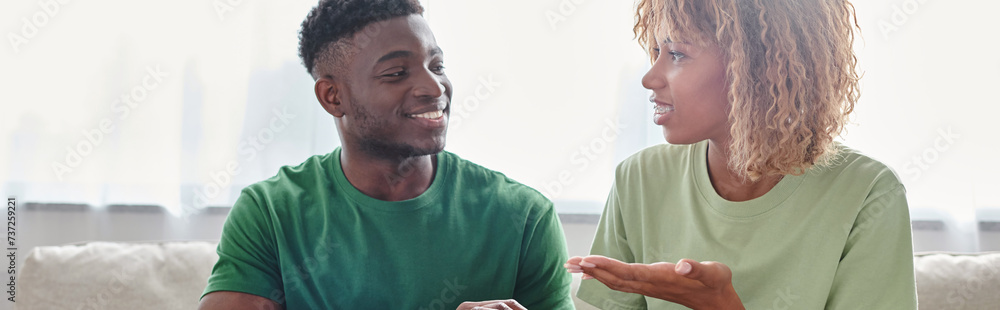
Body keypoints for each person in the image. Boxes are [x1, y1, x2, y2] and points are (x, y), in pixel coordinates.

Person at [197, 0, 573, 309]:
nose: (434, 87)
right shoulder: (270, 211)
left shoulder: (524, 216)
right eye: (396, 73)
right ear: (333, 97)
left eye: (437, 66)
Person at [565, 0, 917, 309]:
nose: (650, 78)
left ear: (755, 65)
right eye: (655, 51)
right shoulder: (639, 178)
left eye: (676, 54)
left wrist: (720, 306)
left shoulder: (867, 192)